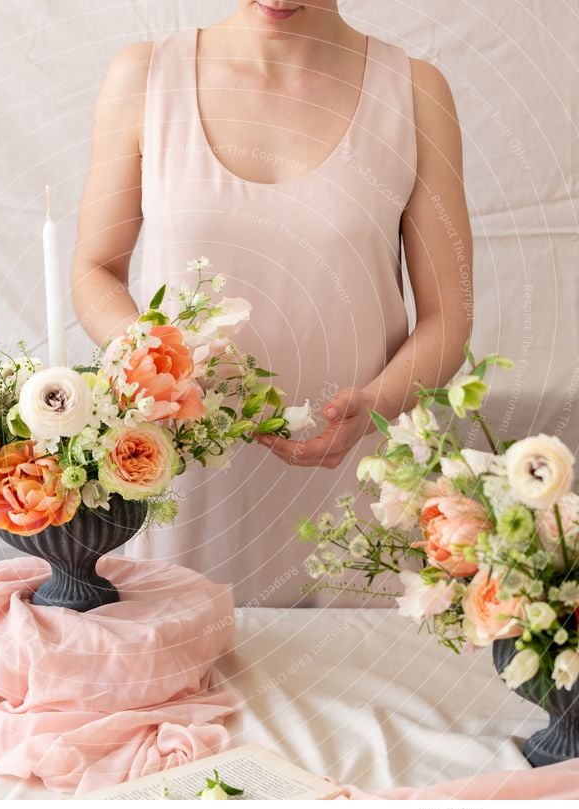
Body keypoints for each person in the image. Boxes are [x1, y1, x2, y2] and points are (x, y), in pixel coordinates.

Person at [70, 1, 473, 607]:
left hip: (356, 489)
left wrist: (377, 402)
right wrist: (161, 366)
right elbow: (93, 270)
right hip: (185, 485)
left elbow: (449, 317)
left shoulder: (414, 93)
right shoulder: (146, 78)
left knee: (356, 687)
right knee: (187, 679)